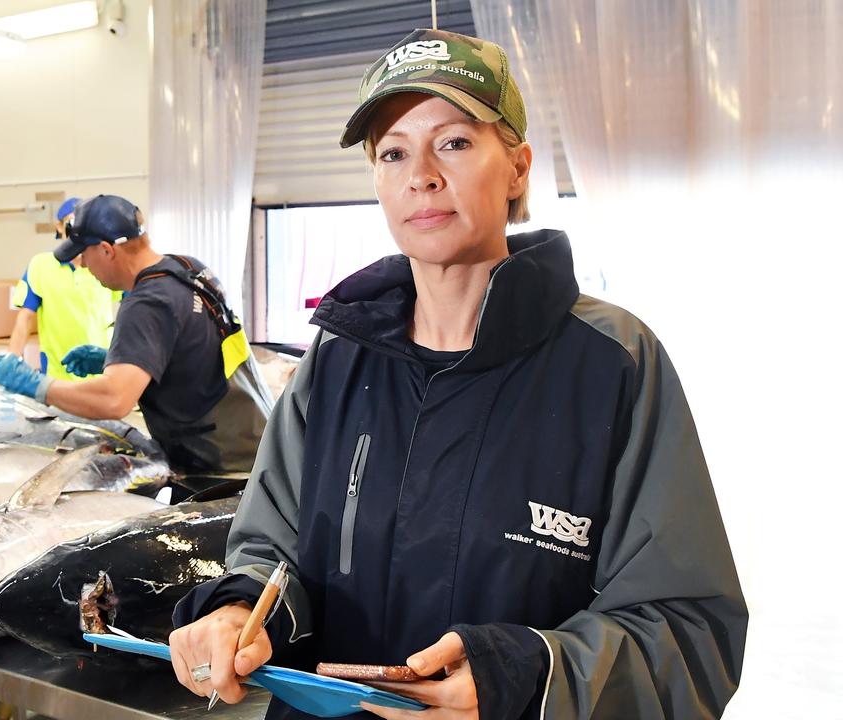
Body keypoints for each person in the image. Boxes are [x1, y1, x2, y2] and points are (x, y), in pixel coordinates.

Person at [166, 28, 746, 720]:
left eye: (455, 142)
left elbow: (690, 633)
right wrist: (238, 613)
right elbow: (269, 551)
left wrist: (524, 677)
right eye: (392, 151)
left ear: (519, 168)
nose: (421, 176)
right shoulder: (338, 358)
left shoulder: (613, 363)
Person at [0, 194, 273, 473]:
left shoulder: (147, 302)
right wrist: (125, 359)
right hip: (258, 439)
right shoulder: (188, 269)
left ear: (106, 250)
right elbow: (195, 351)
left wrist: (35, 384)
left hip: (223, 464)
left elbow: (113, 400)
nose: (84, 266)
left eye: (84, 255)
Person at [6, 197, 120, 380]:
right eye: (70, 222)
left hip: (102, 374)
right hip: (56, 375)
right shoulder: (40, 266)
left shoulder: (104, 263)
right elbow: (25, 318)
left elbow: (132, 305)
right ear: (60, 227)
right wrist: (11, 360)